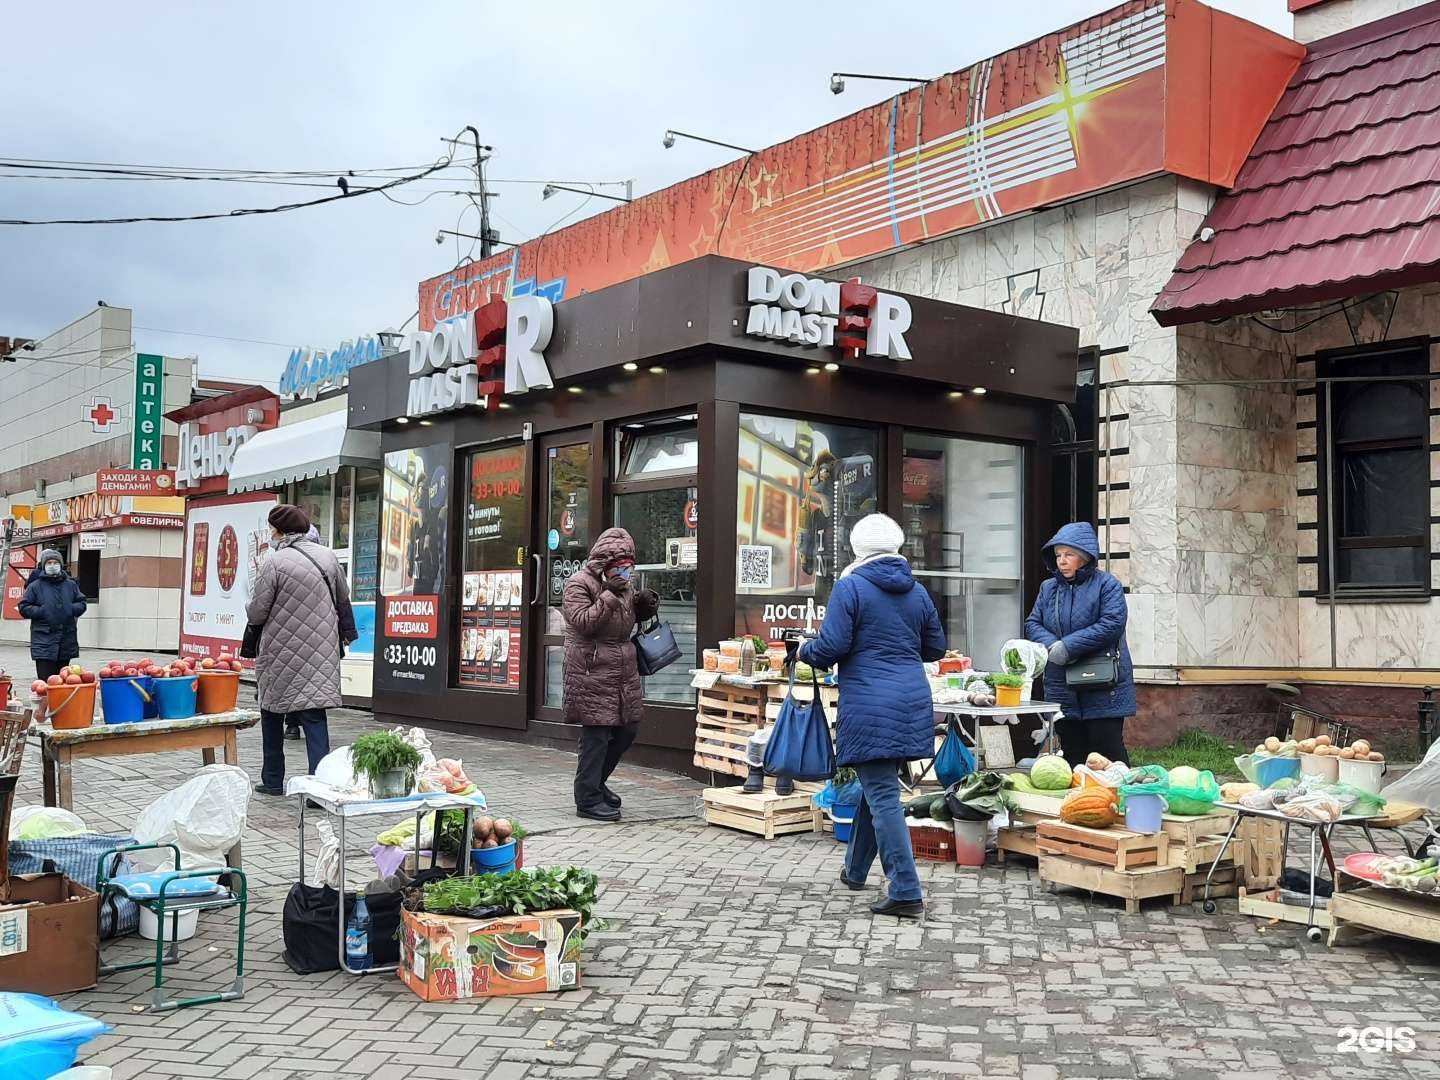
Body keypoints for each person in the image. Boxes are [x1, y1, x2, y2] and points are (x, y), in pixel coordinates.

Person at [796, 513, 945, 919]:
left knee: (882, 796)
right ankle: (855, 870)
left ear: (857, 549)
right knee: (875, 786)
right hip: (911, 700)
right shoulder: (917, 591)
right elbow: (935, 647)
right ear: (897, 547)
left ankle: (906, 891)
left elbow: (831, 647)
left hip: (869, 702)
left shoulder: (851, 587)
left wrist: (803, 650)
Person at [247, 505, 355, 796]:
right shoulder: (328, 558)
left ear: (281, 531)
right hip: (320, 652)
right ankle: (320, 788)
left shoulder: (274, 563)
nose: (270, 534)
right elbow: (343, 600)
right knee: (314, 719)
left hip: (280, 652)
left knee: (272, 714)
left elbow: (257, 613)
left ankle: (272, 781)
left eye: (272, 529)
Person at [563, 527, 658, 822]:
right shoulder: (579, 584)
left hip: (622, 669)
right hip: (591, 669)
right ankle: (587, 798)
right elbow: (584, 623)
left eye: (629, 566)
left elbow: (624, 621)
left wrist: (644, 604)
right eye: (620, 566)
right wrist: (611, 594)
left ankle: (596, 783)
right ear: (603, 563)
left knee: (627, 729)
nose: (626, 572)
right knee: (597, 734)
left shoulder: (622, 586)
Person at [1024, 521, 1136, 769]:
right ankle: (1077, 803)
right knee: (1072, 751)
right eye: (1058, 555)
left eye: (1069, 554)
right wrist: (1053, 645)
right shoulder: (1048, 588)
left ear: (1085, 557)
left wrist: (1069, 646)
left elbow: (1112, 623)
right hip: (1062, 682)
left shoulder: (1107, 585)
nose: (1062, 561)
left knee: (1107, 750)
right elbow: (1032, 623)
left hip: (1103, 683)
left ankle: (1122, 801)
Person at [284, 525, 358, 742]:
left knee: (294, 676)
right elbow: (343, 600)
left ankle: (292, 724)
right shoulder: (328, 561)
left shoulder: (282, 562)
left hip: (292, 635)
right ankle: (306, 726)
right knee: (313, 680)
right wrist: (348, 632)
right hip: (323, 636)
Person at [18, 548, 86, 681]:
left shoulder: (70, 585)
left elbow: (82, 602)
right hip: (44, 640)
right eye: (49, 562)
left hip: (66, 640)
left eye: (55, 562)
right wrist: (42, 611)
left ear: (61, 564)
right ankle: (46, 702)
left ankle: (60, 702)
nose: (52, 565)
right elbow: (23, 607)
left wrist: (71, 609)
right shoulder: (35, 586)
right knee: (45, 681)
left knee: (63, 680)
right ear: (44, 565)